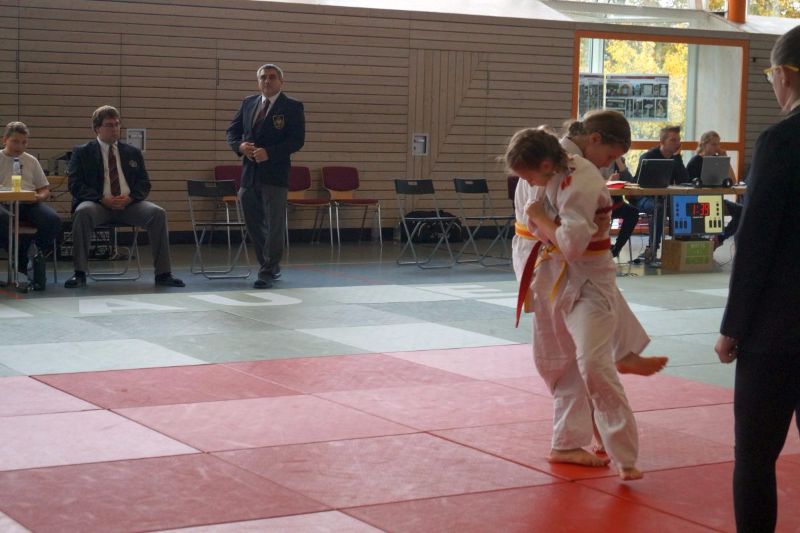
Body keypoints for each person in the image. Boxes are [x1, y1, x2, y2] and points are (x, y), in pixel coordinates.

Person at [508, 127, 651, 481]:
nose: (525, 182)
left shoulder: (581, 177)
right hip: (548, 269)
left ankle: (621, 452)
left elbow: (571, 244)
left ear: (545, 164)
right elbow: (540, 226)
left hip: (585, 277)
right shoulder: (545, 170)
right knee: (557, 361)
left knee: (591, 364)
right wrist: (543, 222)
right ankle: (571, 440)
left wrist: (543, 219)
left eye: (527, 176)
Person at [715, 26, 800, 533]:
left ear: (784, 74)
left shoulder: (782, 141)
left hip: (779, 328)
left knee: (755, 455)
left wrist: (733, 326)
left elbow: (756, 242)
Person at [65, 105, 184, 288]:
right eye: (109, 125)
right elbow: (75, 184)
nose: (114, 129)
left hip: (129, 204)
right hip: (98, 204)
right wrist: (101, 198)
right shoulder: (82, 152)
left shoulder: (132, 152)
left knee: (158, 213)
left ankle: (163, 274)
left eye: (117, 124)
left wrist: (131, 198)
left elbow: (144, 183)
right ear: (97, 128)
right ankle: (79, 273)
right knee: (82, 212)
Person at [226, 63, 305, 289]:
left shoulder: (292, 106)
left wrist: (269, 152)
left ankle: (268, 270)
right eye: (263, 77)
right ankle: (267, 264)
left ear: (281, 81)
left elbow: (297, 140)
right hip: (249, 174)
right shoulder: (248, 103)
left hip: (275, 174)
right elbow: (232, 131)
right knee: (253, 224)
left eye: (272, 77)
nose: (267, 81)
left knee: (274, 225)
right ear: (258, 81)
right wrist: (240, 146)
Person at [560, 113, 640, 258]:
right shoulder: (562, 162)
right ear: (595, 139)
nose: (608, 164)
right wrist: (590, 226)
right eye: (610, 156)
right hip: (561, 253)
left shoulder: (577, 163)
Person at [0, 122, 62, 280]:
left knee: (52, 219)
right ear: (5, 140)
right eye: (15, 141)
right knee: (3, 218)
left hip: (28, 204)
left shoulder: (31, 160)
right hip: (3, 203)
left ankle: (35, 252)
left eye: (23, 142)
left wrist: (39, 197)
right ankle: (17, 255)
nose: (19, 146)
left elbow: (44, 189)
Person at [630, 125, 689, 262]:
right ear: (662, 142)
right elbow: (639, 183)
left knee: (682, 206)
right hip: (642, 197)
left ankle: (680, 247)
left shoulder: (675, 159)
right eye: (673, 140)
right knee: (659, 208)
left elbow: (684, 180)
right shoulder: (648, 157)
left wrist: (678, 157)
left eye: (678, 140)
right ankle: (652, 248)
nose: (677, 143)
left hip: (664, 197)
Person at [686, 130, 742, 249]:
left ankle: (720, 238)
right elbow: (689, 186)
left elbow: (733, 180)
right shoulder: (695, 161)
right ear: (704, 144)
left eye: (718, 144)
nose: (717, 147)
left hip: (715, 200)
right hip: (699, 201)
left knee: (741, 212)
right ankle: (706, 240)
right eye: (713, 144)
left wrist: (725, 159)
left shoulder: (717, 161)